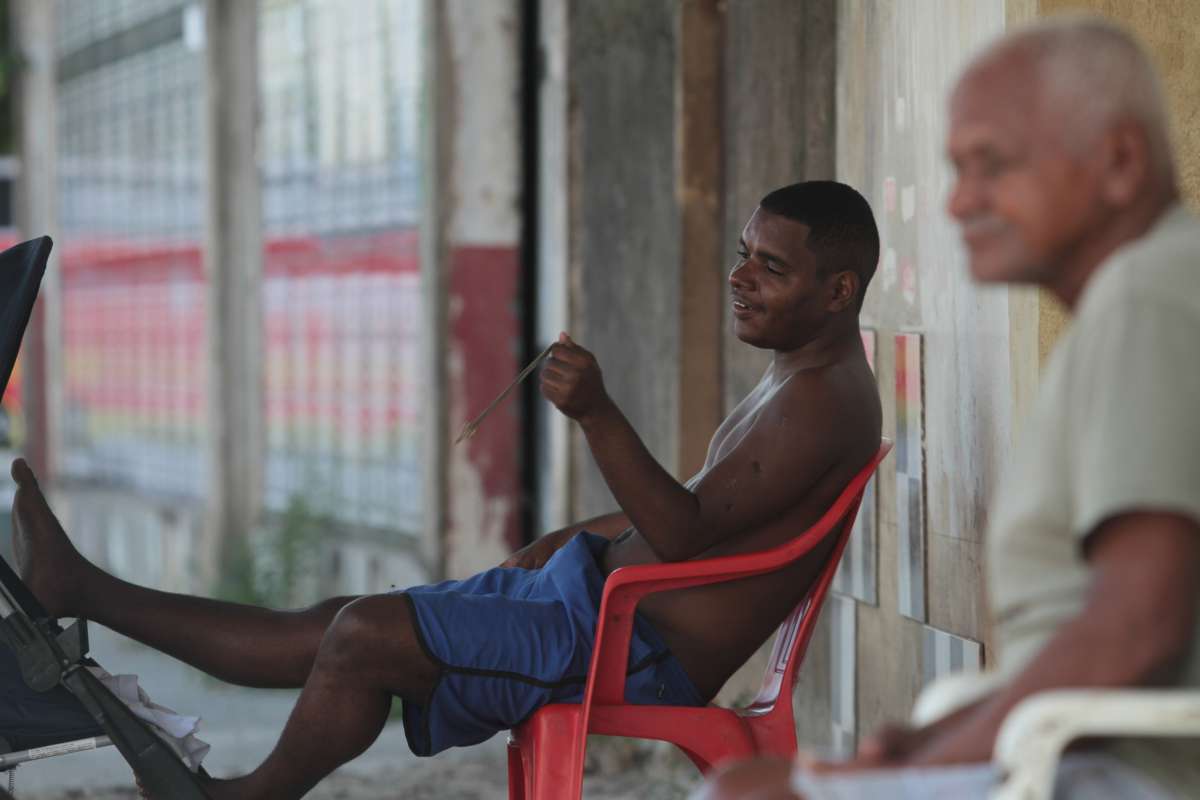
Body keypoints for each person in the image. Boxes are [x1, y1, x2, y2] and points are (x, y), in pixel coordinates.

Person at [12, 180, 883, 800]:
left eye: (769, 267)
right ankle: (85, 588)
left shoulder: (817, 400)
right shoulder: (802, 375)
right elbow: (705, 514)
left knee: (360, 636)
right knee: (335, 622)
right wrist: (572, 540)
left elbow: (686, 534)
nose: (740, 277)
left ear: (838, 290)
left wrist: (598, 413)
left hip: (629, 649)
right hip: (597, 606)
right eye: (742, 254)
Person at [696, 15, 1200, 800]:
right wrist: (930, 738)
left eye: (992, 166)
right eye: (956, 168)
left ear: (1120, 161)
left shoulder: (1151, 297)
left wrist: (926, 764)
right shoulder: (1135, 298)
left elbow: (1137, 627)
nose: (959, 201)